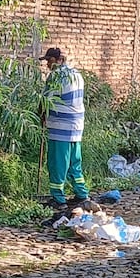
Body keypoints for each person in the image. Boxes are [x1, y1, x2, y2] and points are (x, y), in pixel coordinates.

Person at [39, 47, 89, 210]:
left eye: (49, 61)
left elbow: (46, 101)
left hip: (60, 125)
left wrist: (40, 117)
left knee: (57, 162)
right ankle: (81, 195)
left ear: (58, 60)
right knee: (74, 162)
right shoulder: (77, 74)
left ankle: (59, 199)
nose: (47, 64)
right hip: (76, 125)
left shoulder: (56, 76)